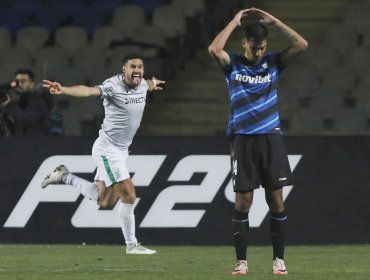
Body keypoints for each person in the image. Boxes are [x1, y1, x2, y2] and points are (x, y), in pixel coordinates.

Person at [208, 7, 308, 275]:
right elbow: (214, 49)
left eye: (263, 47)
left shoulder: (274, 62)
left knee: (276, 201)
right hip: (243, 140)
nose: (259, 52)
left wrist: (276, 22)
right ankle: (241, 262)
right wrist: (233, 21)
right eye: (254, 48)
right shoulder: (233, 65)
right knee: (243, 202)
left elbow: (301, 44)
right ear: (244, 44)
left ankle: (279, 260)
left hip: (271, 138)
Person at [41, 53, 165, 254]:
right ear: (123, 69)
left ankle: (64, 176)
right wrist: (63, 89)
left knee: (104, 201)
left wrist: (154, 83)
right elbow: (89, 91)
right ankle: (132, 246)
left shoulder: (142, 83)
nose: (137, 71)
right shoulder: (112, 86)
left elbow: (148, 85)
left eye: (140, 67)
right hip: (108, 149)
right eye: (133, 66)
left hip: (122, 150)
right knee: (129, 194)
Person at [1, 69, 54, 136]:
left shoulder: (38, 101)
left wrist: (9, 105)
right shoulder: (21, 102)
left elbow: (26, 120)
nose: (19, 84)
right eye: (17, 82)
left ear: (32, 84)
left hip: (36, 144)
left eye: (23, 81)